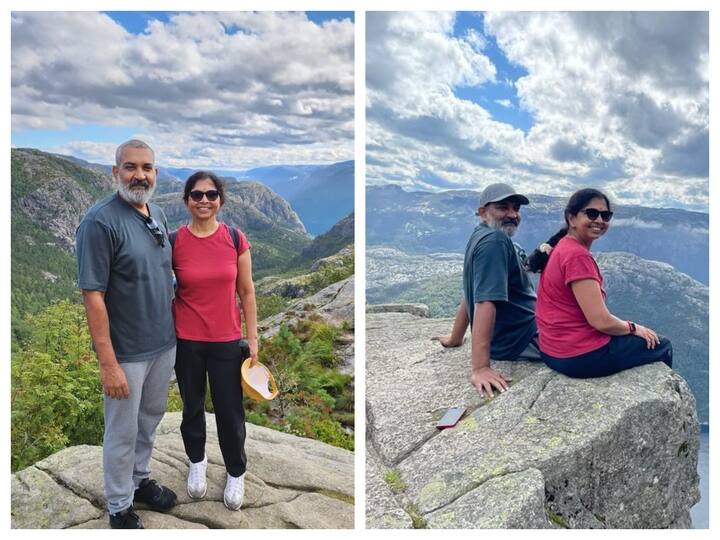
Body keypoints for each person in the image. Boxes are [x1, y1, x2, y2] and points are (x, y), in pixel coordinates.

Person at [76, 139, 177, 529]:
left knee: (149, 418)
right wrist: (108, 363)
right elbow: (93, 296)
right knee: (121, 428)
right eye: (131, 167)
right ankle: (119, 505)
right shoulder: (100, 221)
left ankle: (138, 480)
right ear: (115, 172)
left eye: (147, 167)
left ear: (155, 172)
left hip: (163, 343)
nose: (140, 175)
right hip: (127, 352)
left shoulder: (159, 213)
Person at [171, 171, 259, 511]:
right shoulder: (175, 241)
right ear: (187, 201)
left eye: (210, 194)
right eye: (197, 195)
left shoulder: (235, 239)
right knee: (192, 407)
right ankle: (197, 462)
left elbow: (247, 292)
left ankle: (236, 471)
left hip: (226, 341)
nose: (204, 200)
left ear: (219, 200)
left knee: (230, 411)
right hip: (186, 341)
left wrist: (252, 339)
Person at [533, 188, 672, 377]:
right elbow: (601, 321)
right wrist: (633, 327)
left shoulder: (561, 247)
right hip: (578, 356)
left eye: (605, 215)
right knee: (661, 345)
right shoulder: (577, 256)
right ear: (571, 218)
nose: (599, 220)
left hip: (551, 350)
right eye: (591, 213)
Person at [433, 183, 540, 398]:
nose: (512, 215)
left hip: (517, 333)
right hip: (523, 337)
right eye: (503, 208)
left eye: (516, 208)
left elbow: (471, 291)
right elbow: (485, 300)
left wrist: (455, 338)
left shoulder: (481, 234)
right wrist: (480, 368)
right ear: (482, 212)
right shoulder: (495, 241)